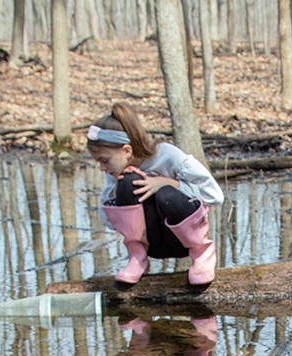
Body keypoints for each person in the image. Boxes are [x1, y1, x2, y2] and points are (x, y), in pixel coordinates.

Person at [87, 103, 224, 285]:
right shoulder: (116, 173)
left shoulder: (167, 155)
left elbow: (215, 196)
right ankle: (138, 260)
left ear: (127, 151)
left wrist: (167, 182)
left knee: (166, 194)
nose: (103, 168)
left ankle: (202, 256)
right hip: (152, 244)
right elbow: (106, 220)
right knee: (129, 181)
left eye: (104, 160)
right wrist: (119, 192)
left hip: (183, 241)